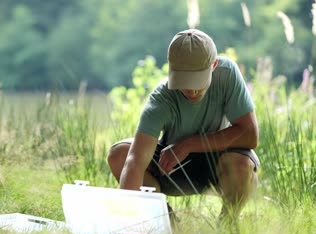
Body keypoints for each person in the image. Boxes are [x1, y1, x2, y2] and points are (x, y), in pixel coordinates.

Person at [107, 29, 260, 223]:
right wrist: (126, 217)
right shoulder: (162, 99)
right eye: (185, 82)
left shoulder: (227, 74)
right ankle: (163, 221)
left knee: (242, 164)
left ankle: (227, 224)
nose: (193, 90)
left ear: (214, 65)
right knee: (120, 154)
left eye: (198, 81)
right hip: (171, 167)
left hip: (218, 162)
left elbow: (250, 135)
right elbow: (136, 159)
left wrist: (187, 145)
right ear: (171, 70)